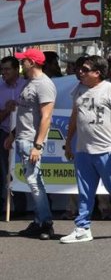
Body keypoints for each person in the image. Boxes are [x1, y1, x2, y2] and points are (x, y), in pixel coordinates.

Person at [60, 56, 111, 243]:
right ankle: (82, 227)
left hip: (104, 149)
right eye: (80, 69)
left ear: (97, 73)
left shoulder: (110, 89)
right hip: (83, 149)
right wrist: (68, 142)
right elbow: (74, 116)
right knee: (84, 191)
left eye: (85, 69)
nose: (80, 72)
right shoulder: (79, 89)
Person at [5, 49, 56, 240]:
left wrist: (38, 145)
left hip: (31, 141)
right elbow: (25, 114)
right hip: (23, 138)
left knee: (34, 183)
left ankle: (45, 223)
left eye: (24, 60)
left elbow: (46, 117)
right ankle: (40, 221)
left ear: (32, 62)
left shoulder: (44, 84)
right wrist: (12, 134)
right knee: (35, 181)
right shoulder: (30, 82)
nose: (21, 64)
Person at [0, 57, 27, 218]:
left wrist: (19, 107)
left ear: (17, 70)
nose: (4, 73)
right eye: (2, 70)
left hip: (24, 133)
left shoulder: (26, 86)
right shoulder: (0, 88)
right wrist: (6, 110)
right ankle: (7, 205)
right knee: (5, 170)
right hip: (4, 132)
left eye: (7, 69)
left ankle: (22, 207)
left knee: (24, 170)